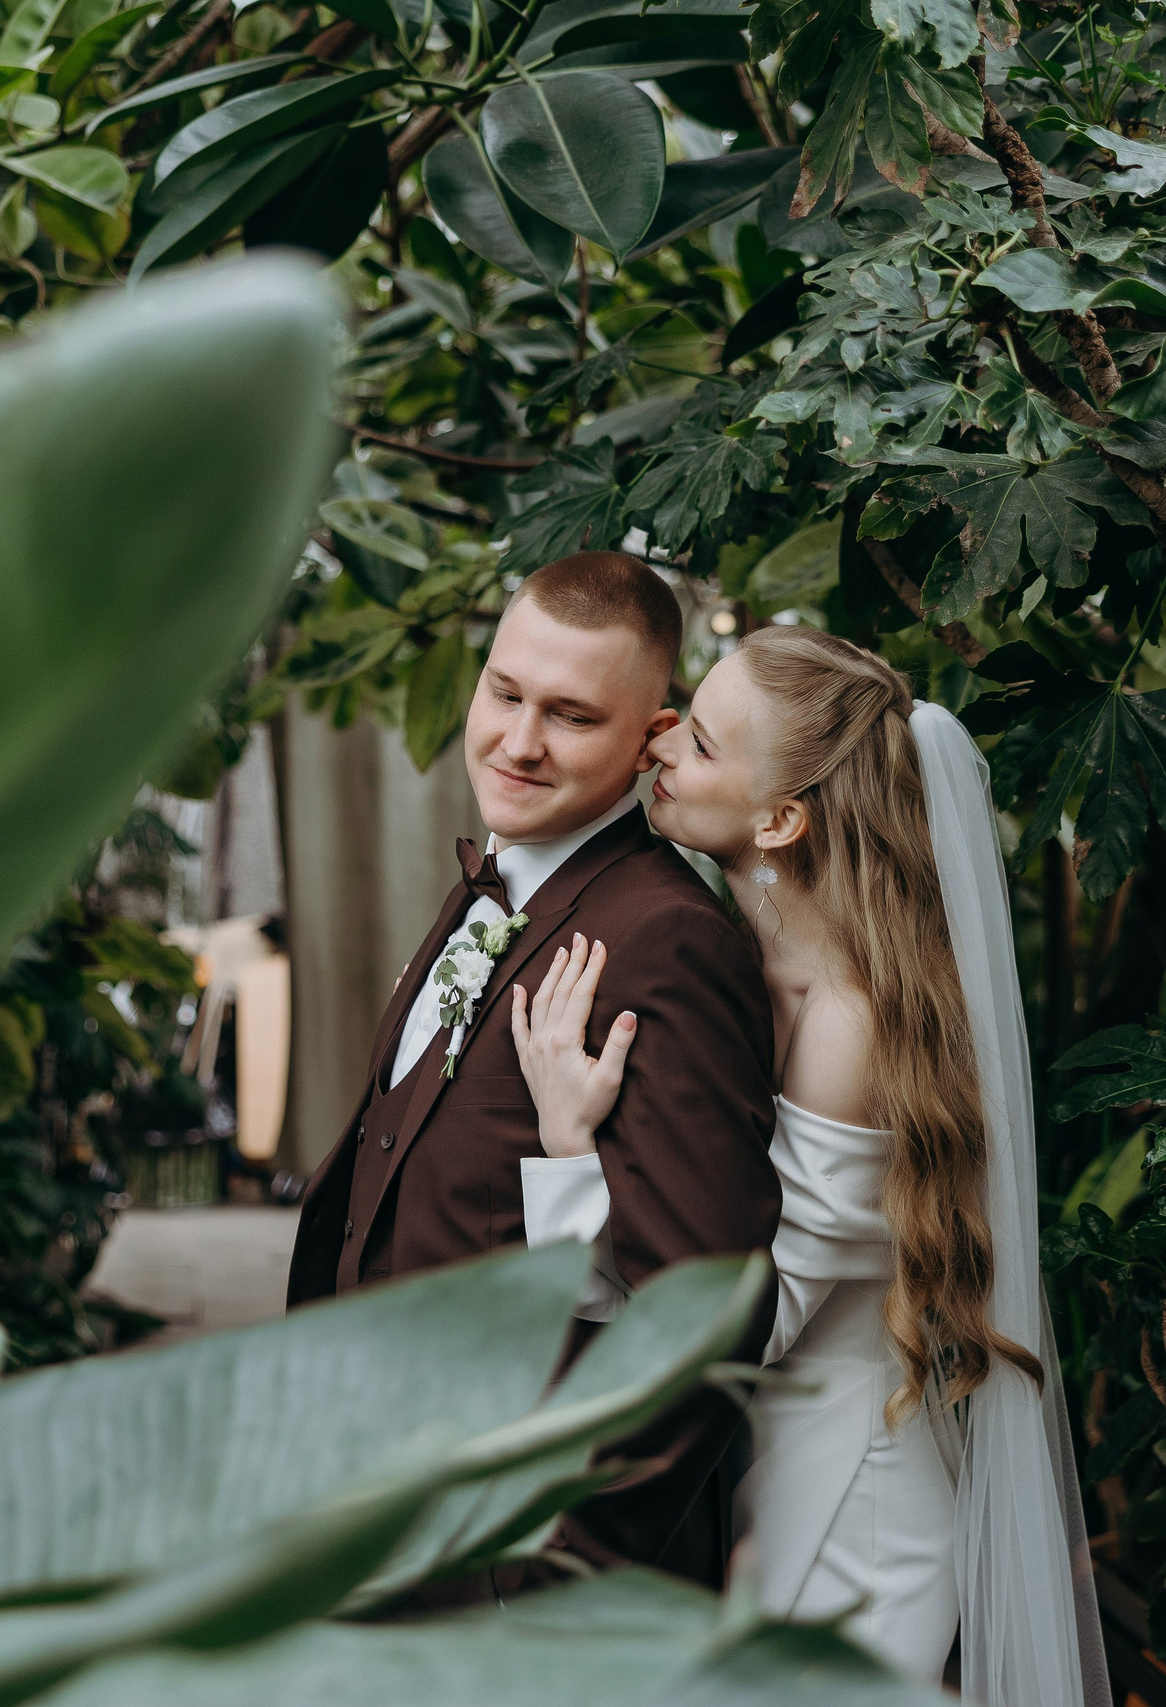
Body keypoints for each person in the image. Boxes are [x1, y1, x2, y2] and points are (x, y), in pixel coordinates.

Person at [509, 625, 1111, 1706]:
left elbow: (745, 1318)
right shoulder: (744, 963)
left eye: (693, 743)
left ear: (780, 819)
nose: (656, 752)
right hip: (767, 1454)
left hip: (849, 1500)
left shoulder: (848, 1030)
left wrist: (567, 1146)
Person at [285, 551, 782, 1591]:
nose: (517, 742)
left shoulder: (664, 943)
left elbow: (701, 1318)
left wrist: (555, 1570)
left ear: (653, 735)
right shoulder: (494, 885)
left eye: (570, 716)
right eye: (503, 693)